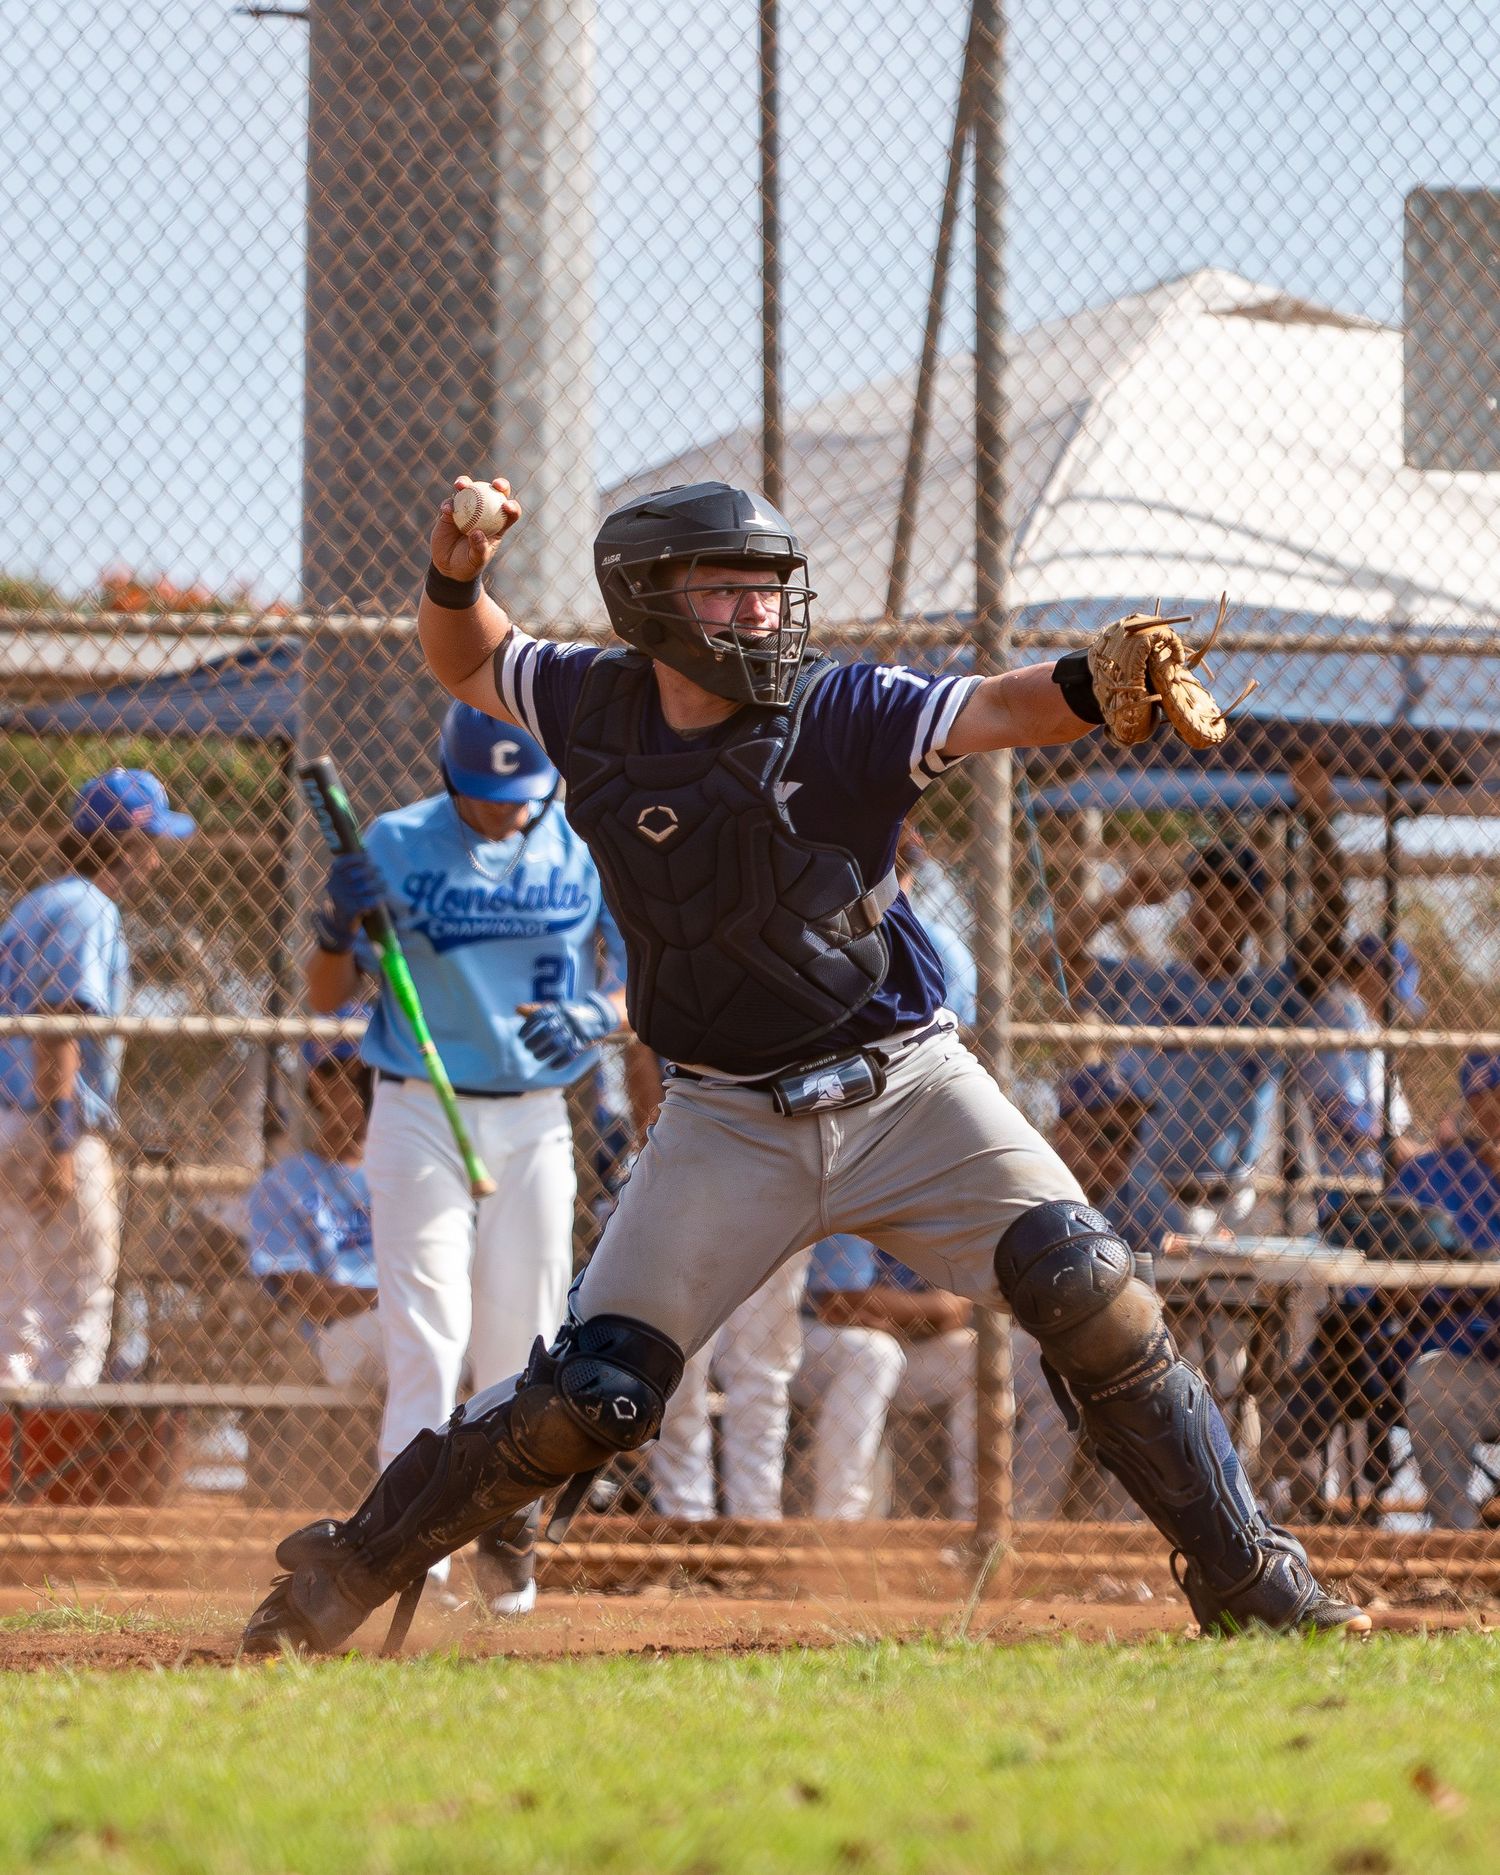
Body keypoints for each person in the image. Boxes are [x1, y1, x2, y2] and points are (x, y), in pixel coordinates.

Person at [243, 475, 1367, 1650]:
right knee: (596, 1396)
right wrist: (457, 568)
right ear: (649, 601)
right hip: (725, 1122)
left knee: (1089, 1285)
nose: (760, 615)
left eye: (769, 590)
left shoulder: (840, 712)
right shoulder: (593, 701)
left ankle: (1251, 1581)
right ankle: (339, 1577)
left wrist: (1093, 684)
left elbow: (991, 708)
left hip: (908, 1087)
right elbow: (468, 661)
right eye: (725, 591)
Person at [299, 703, 624, 1616]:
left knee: (521, 1348)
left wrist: (600, 1014)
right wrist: (338, 924)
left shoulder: (583, 842)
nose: (505, 812)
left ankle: (504, 1550)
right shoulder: (396, 842)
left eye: (520, 796)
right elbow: (327, 996)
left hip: (534, 1115)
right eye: (485, 797)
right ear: (450, 780)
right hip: (418, 1110)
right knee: (427, 1340)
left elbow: (636, 976)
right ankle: (405, 1559)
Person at [649, 830, 978, 1522]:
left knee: (763, 1361)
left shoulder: (872, 946)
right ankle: (685, 1521)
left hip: (785, 1160)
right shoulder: (711, 929)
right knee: (679, 1352)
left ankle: (756, 1523)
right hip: (702, 1162)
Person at [0, 769, 195, 1385]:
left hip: (12, 1116)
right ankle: (55, 1460)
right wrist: (60, 1144)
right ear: (126, 846)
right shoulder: (90, 907)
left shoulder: (42, 899)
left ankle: (16, 1470)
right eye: (150, 845)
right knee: (75, 1314)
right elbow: (57, 1021)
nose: (156, 862)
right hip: (47, 1120)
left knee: (17, 1314)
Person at [1387, 1052, 1500, 1529]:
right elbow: (1381, 1281)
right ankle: (1461, 1547)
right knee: (1433, 1383)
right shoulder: (1432, 1175)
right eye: (1484, 1097)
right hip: (1474, 1366)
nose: (1491, 1108)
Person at [793, 1234, 976, 1521]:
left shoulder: (937, 1207)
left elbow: (960, 1308)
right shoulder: (860, 1192)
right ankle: (839, 1520)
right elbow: (840, 1300)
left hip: (901, 1340)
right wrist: (929, 1311)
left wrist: (890, 1316)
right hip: (807, 1342)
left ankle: (979, 1522)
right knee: (874, 1352)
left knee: (975, 1355)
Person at [247, 1031, 382, 1394]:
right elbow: (312, 1299)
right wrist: (395, 1295)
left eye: (370, 1077)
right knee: (412, 1336)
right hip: (344, 1334)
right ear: (315, 1082)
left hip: (414, 1312)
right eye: (341, 1073)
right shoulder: (281, 1185)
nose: (359, 1091)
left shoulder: (409, 1177)